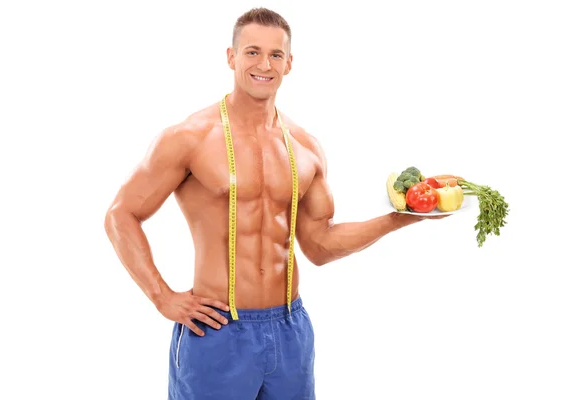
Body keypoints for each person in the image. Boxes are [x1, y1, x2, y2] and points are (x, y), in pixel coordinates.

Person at [104, 7, 443, 399]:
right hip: (216, 330)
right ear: (231, 57)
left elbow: (318, 245)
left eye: (275, 55)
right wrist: (162, 296)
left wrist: (397, 219)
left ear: (289, 63)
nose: (264, 64)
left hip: (289, 329)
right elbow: (121, 214)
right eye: (251, 52)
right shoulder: (189, 138)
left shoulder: (306, 147)